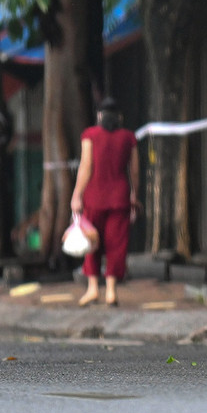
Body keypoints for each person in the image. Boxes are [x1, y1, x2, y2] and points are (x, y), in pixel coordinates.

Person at [70, 97, 140, 307]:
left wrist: (76, 194)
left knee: (92, 242)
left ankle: (92, 288)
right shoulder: (129, 137)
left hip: (94, 197)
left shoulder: (90, 135)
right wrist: (134, 194)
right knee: (116, 244)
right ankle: (110, 290)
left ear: (99, 116)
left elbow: (86, 166)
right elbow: (134, 170)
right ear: (119, 117)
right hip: (119, 197)